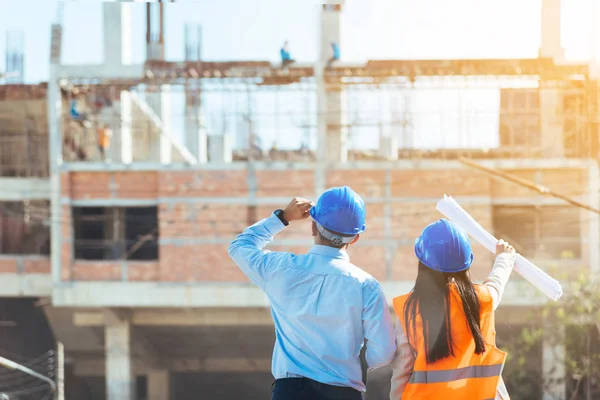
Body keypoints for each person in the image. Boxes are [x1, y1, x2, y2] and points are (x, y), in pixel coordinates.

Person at [228, 187, 396, 400]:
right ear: (355, 238)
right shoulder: (366, 285)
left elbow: (240, 246)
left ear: (313, 226)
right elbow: (384, 351)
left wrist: (282, 217)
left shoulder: (280, 268)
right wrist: (354, 363)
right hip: (343, 392)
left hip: (289, 392)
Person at [389, 219, 516, 399]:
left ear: (423, 263)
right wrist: (504, 258)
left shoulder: (409, 310)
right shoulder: (482, 300)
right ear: (466, 263)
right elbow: (496, 283)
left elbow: (402, 370)